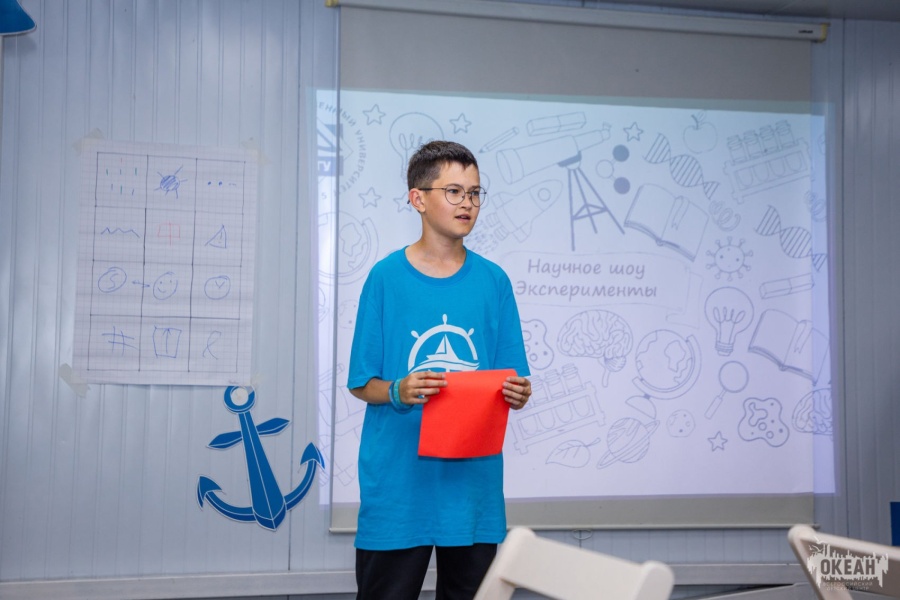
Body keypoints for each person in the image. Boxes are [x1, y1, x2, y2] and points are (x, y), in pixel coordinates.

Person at [347, 140, 533, 599]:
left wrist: (518, 393)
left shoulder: (494, 281)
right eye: (454, 191)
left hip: (471, 491)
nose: (467, 203)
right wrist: (399, 390)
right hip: (399, 488)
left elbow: (511, 379)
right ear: (418, 198)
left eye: (475, 193)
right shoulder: (385, 278)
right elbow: (361, 383)